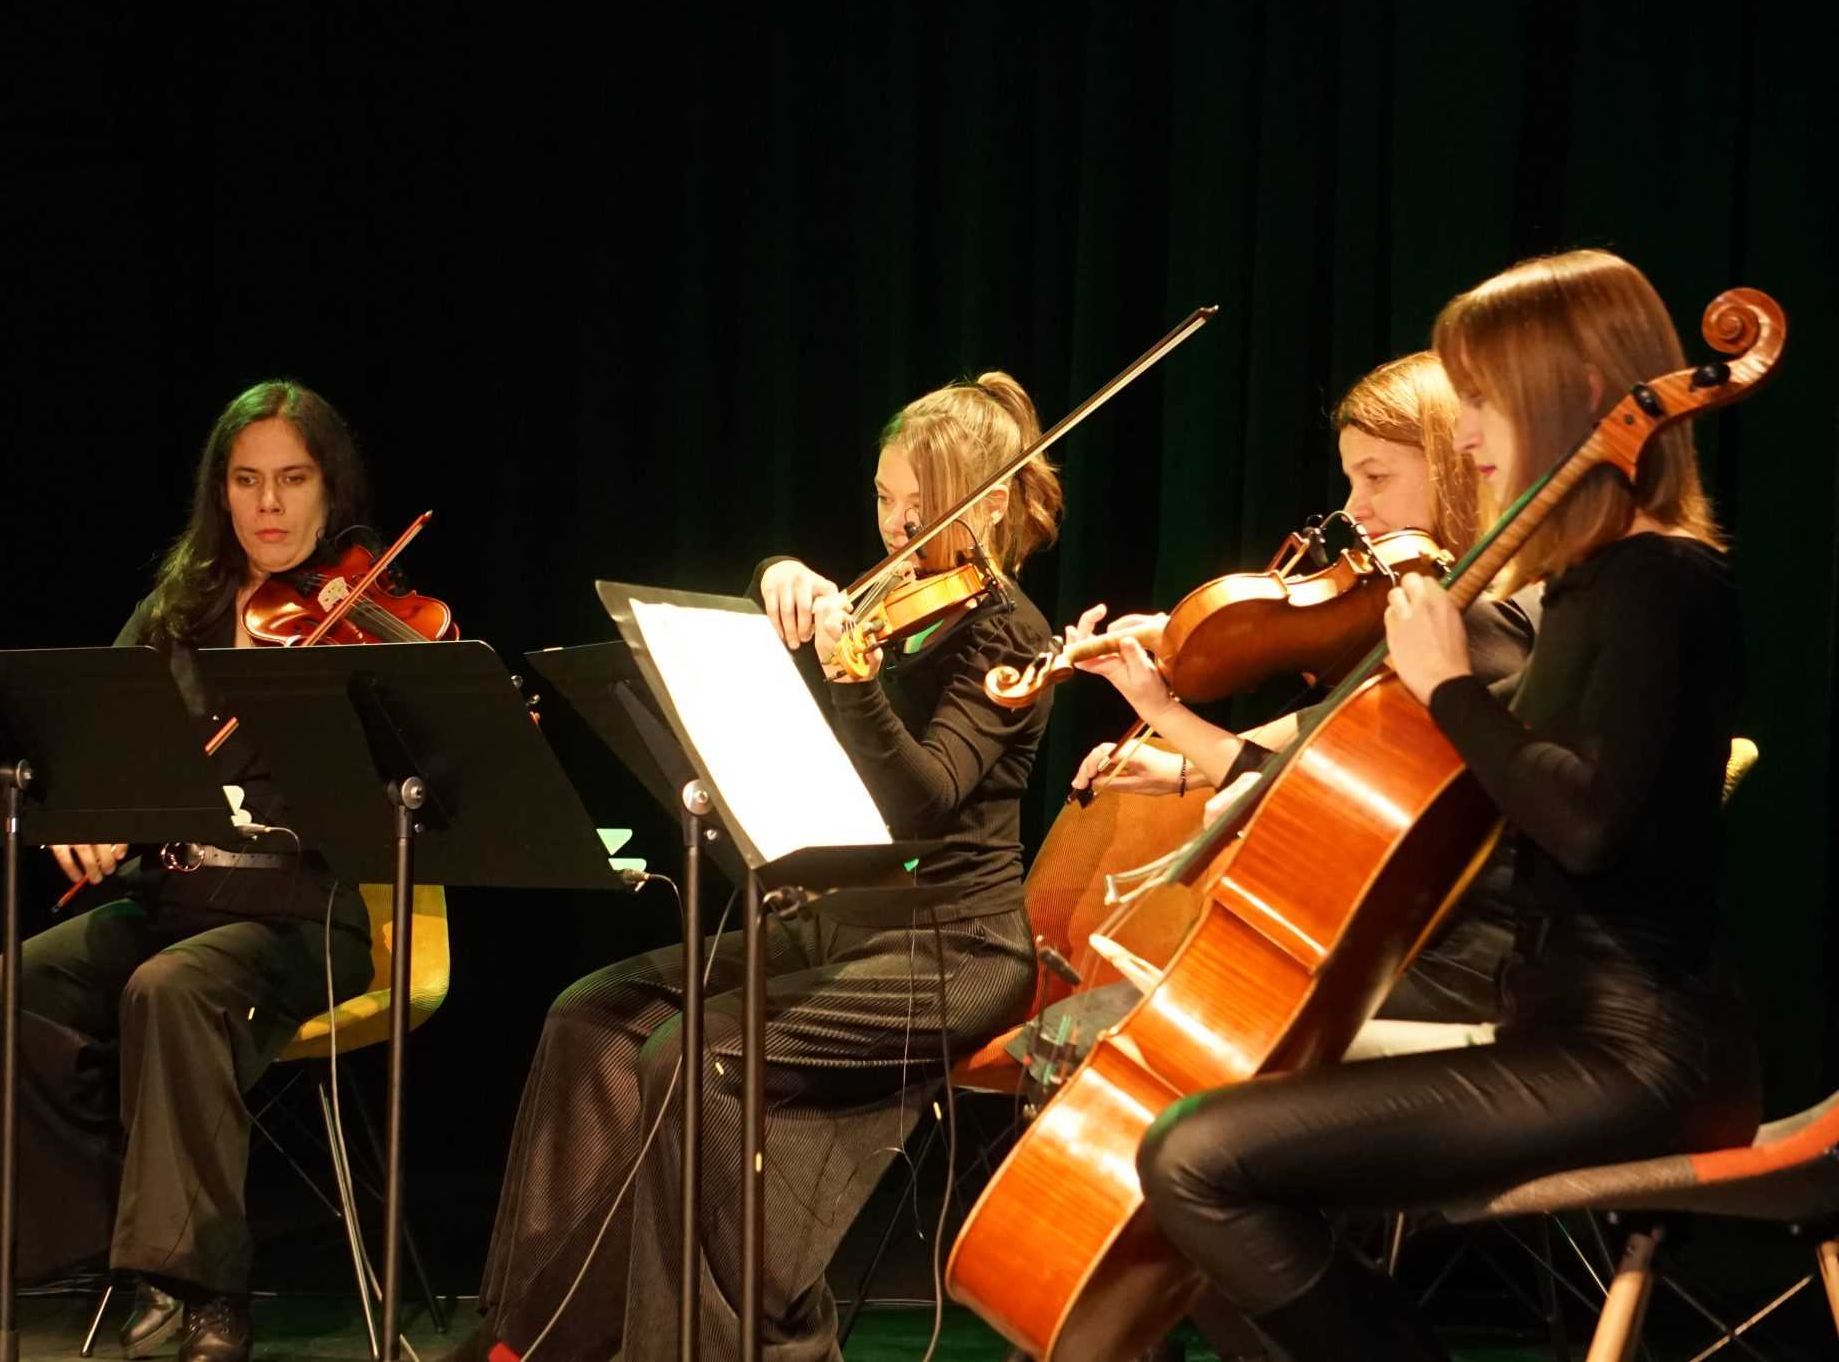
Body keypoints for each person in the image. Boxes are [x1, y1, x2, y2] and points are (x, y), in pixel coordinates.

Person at [1130, 249, 1763, 1360]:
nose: (1464, 438)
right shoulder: (1583, 582)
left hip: (1634, 1056)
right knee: (1184, 1179)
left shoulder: (1660, 579)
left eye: (1476, 401)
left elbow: (1582, 821)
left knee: (1196, 1160)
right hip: (1555, 1032)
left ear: (1567, 393)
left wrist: (1446, 689)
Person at [466, 373, 1063, 1362]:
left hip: (952, 946)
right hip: (841, 926)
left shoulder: (1010, 636)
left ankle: (721, 1347)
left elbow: (922, 801)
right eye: (883, 499)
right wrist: (781, 575)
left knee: (692, 1062)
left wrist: (853, 684)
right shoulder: (887, 611)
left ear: (989, 501)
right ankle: (542, 1332)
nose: (895, 526)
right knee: (590, 1014)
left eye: (921, 504)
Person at [0, 380, 380, 1362]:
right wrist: (89, 818)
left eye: (292, 479)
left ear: (327, 489)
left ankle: (205, 1287)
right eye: (246, 481)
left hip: (301, 919)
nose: (268, 505)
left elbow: (420, 783)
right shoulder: (174, 610)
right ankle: (120, 1257)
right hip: (173, 902)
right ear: (218, 493)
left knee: (171, 989)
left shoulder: (366, 621)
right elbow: (92, 755)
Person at [1066, 350, 1540, 1025]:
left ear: (1461, 465)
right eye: (1351, 480)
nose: (1356, 509)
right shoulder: (1425, 619)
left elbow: (1282, 788)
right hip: (1390, 956)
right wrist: (1174, 735)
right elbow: (1304, 747)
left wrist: (1166, 715)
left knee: (1098, 1030)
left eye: (1376, 477)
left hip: (1447, 974)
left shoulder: (1477, 630)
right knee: (1089, 1025)